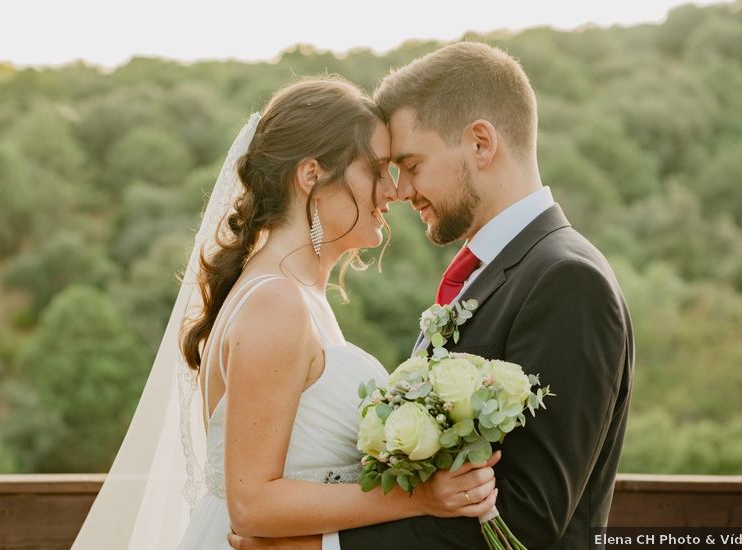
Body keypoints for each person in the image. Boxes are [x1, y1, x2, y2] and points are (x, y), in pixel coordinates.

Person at [230, 42, 634, 550]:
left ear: (481, 144)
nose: (398, 191)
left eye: (412, 164)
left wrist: (316, 548)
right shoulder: (491, 275)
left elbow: (526, 517)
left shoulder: (567, 280)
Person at [71, 77, 499, 550]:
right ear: (311, 174)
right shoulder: (276, 303)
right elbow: (252, 505)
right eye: (376, 169)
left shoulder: (291, 294)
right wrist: (418, 499)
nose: (393, 191)